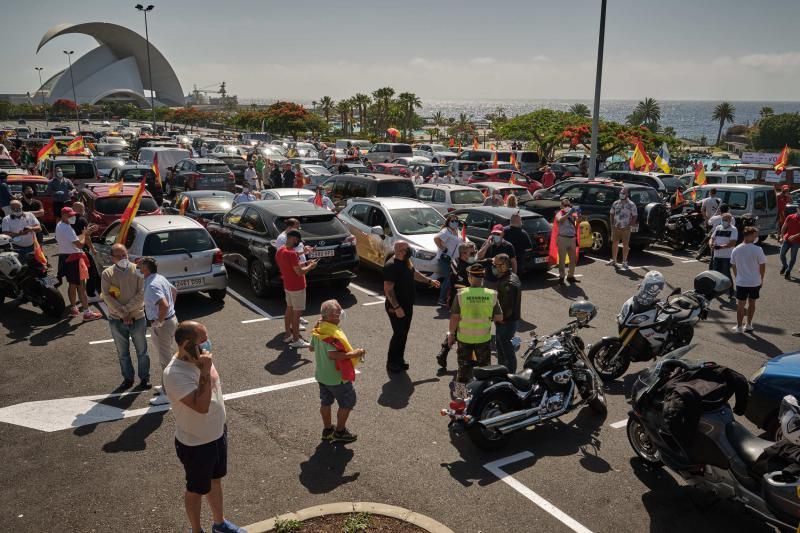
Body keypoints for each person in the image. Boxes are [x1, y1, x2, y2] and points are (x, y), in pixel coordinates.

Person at [163, 320, 246, 533]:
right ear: (187, 345)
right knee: (196, 489)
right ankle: (196, 530)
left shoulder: (201, 359)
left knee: (215, 481)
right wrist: (204, 372)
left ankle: (220, 524)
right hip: (196, 443)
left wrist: (204, 367)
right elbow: (200, 407)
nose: (208, 344)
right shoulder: (174, 374)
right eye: (203, 340)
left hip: (217, 434)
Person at [311, 299, 364, 443]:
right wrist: (355, 354)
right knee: (347, 402)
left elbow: (311, 347)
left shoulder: (318, 329)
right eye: (338, 312)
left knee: (325, 402)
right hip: (337, 378)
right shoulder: (331, 334)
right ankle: (340, 432)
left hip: (322, 376)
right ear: (329, 316)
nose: (341, 314)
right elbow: (333, 355)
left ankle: (327, 430)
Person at [447, 264, 503, 399]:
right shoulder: (492, 295)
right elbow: (499, 317)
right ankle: (484, 396)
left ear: (470, 277)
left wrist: (451, 335)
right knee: (485, 370)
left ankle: (461, 397)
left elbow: (454, 317)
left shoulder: (461, 294)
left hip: (464, 339)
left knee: (463, 370)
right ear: (483, 277)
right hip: (483, 339)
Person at [383, 241, 440, 373]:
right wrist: (397, 307)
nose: (409, 250)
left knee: (403, 333)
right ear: (399, 250)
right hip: (396, 307)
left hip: (407, 305)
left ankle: (399, 359)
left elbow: (414, 273)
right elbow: (388, 290)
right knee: (399, 334)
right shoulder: (391, 266)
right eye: (406, 248)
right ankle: (391, 362)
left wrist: (429, 281)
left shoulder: (406, 261)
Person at [101, 243, 150, 389]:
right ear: (112, 258)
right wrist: (123, 313)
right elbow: (107, 297)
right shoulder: (107, 274)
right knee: (123, 353)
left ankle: (144, 378)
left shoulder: (138, 270)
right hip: (117, 320)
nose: (123, 258)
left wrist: (126, 311)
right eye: (119, 256)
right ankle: (128, 379)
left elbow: (142, 294)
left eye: (125, 254)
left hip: (138, 317)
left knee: (142, 351)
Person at [139, 256, 178, 406]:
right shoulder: (160, 278)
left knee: (165, 360)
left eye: (140, 264)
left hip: (163, 324)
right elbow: (174, 291)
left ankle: (168, 394)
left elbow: (164, 304)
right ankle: (165, 386)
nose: (137, 266)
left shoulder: (152, 286)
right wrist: (170, 312)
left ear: (146, 268)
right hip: (171, 320)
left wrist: (159, 322)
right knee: (169, 356)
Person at [56, 207, 102, 321]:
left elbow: (75, 240)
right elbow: (80, 245)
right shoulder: (66, 228)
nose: (72, 217)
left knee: (72, 284)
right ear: (63, 215)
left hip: (66, 257)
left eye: (72, 215)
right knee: (81, 287)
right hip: (74, 258)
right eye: (69, 215)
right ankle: (87, 313)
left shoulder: (60, 225)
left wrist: (85, 233)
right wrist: (86, 234)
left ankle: (73, 307)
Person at [276, 229, 318, 348]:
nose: (298, 243)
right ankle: (296, 339)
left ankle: (288, 335)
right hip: (297, 287)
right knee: (297, 314)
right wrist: (310, 266)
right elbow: (299, 273)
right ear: (293, 238)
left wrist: (304, 263)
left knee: (289, 309)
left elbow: (290, 266)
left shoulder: (280, 250)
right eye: (297, 240)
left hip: (288, 286)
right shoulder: (292, 253)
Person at [730, 226, 766, 333]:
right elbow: (762, 266)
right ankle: (749, 324)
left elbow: (733, 265)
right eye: (755, 235)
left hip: (742, 282)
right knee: (752, 303)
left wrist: (737, 277)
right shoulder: (758, 249)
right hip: (755, 282)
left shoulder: (736, 249)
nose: (757, 237)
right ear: (749, 236)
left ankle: (739, 327)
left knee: (741, 305)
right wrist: (761, 279)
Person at [492, 253, 522, 372]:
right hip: (506, 321)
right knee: (501, 347)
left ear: (504, 266)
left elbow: (508, 305)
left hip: (506, 322)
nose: (494, 267)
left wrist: (501, 318)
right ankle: (502, 370)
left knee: (506, 349)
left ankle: (509, 374)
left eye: (496, 265)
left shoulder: (508, 283)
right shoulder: (510, 276)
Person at [70, 202, 102, 302]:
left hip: (68, 252)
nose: (84, 210)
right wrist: (92, 249)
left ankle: (75, 301)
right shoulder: (82, 220)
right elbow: (86, 236)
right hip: (81, 251)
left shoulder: (66, 221)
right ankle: (90, 295)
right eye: (83, 208)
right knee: (92, 272)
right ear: (79, 209)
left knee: (74, 279)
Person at [434, 214, 464, 306]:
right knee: (447, 279)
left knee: (453, 279)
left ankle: (449, 298)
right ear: (448, 222)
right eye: (452, 221)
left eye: (456, 221)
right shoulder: (446, 231)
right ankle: (441, 299)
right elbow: (436, 239)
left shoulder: (457, 231)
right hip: (445, 260)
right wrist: (443, 249)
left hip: (455, 260)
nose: (454, 222)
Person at [607, 188, 638, 270]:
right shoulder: (616, 203)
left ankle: (624, 262)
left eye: (623, 193)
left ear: (627, 194)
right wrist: (612, 224)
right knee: (614, 243)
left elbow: (635, 216)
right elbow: (611, 213)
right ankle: (614, 260)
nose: (621, 194)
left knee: (625, 245)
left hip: (626, 228)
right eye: (621, 193)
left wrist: (630, 225)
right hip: (616, 227)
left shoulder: (631, 204)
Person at [709, 213, 737, 297]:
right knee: (715, 274)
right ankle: (714, 290)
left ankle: (731, 291)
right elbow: (712, 238)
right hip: (716, 256)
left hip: (727, 257)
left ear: (730, 221)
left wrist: (720, 247)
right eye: (723, 219)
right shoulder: (718, 227)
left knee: (726, 274)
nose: (723, 221)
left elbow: (732, 243)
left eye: (725, 220)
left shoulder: (733, 229)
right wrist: (711, 244)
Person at [554, 198, 579, 285]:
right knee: (562, 259)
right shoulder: (559, 213)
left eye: (568, 205)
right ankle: (561, 277)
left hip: (572, 238)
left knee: (573, 259)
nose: (567, 207)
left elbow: (577, 223)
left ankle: (570, 276)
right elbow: (560, 220)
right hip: (563, 238)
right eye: (565, 205)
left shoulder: (573, 214)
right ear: (561, 206)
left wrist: (578, 215)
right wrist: (569, 213)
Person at [779, 206, 800, 280]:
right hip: (787, 239)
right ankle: (785, 266)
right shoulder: (790, 216)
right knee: (781, 255)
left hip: (797, 242)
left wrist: (795, 236)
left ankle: (788, 271)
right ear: (797, 209)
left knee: (793, 257)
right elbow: (784, 226)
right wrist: (781, 236)